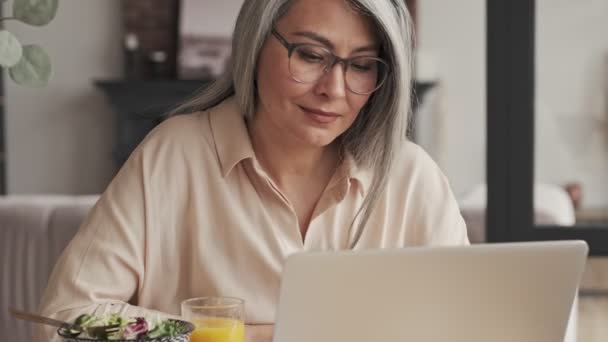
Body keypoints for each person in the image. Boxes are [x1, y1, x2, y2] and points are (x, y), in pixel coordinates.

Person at [35, 0, 469, 341]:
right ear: (255, 43)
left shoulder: (413, 177)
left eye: (359, 65)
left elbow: (467, 325)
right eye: (310, 55)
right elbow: (65, 320)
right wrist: (237, 336)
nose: (333, 90)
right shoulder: (173, 155)